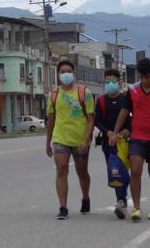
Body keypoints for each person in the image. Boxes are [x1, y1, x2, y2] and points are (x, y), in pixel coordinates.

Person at [110, 58, 150, 222]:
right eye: (143, 77)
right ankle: (136, 208)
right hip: (137, 137)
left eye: (149, 77)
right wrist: (115, 132)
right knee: (136, 170)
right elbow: (124, 111)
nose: (145, 81)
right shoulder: (133, 90)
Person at [46, 59, 95, 220]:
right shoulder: (54, 94)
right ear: (58, 74)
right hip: (60, 138)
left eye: (69, 71)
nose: (66, 74)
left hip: (80, 139)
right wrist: (48, 142)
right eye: (62, 72)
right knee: (61, 170)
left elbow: (91, 118)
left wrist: (86, 139)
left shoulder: (83, 92)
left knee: (82, 172)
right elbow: (51, 119)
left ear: (73, 74)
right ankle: (63, 207)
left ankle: (85, 197)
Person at [95, 69, 131, 219]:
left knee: (124, 173)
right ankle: (121, 201)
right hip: (108, 143)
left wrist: (126, 131)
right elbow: (98, 121)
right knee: (115, 172)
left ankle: (122, 200)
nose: (110, 84)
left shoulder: (126, 100)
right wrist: (109, 132)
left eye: (113, 81)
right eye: (107, 81)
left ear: (119, 82)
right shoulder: (101, 101)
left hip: (125, 143)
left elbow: (132, 120)